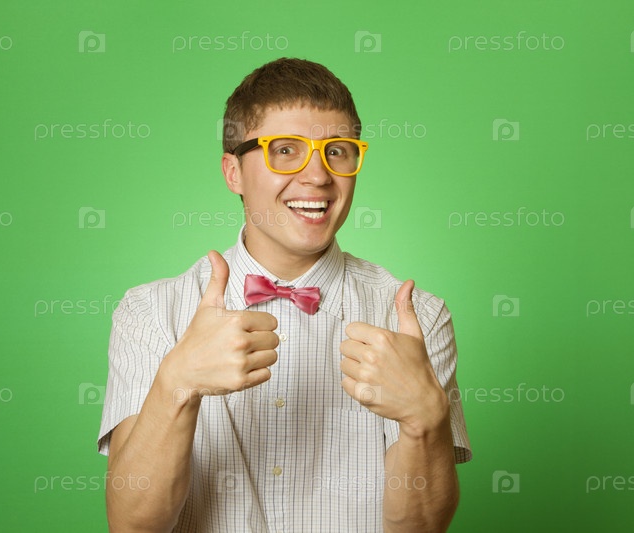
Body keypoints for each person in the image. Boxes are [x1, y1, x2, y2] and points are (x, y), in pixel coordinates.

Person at [97, 57, 472, 533]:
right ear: (233, 172)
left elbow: (420, 528)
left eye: (337, 151)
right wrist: (177, 384)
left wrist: (425, 418)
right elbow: (133, 525)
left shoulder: (419, 318)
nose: (318, 176)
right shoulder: (149, 313)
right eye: (286, 150)